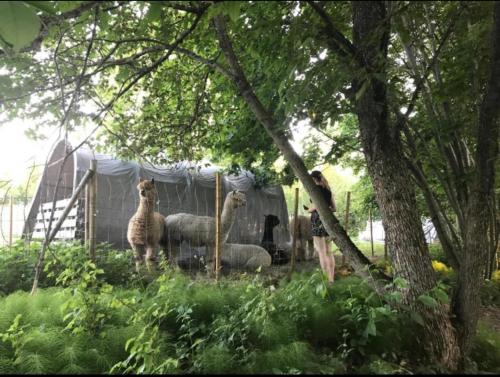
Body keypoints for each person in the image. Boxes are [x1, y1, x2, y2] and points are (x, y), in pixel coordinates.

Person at [306, 170, 336, 284]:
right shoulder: (328, 190)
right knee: (329, 252)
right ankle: (331, 279)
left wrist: (309, 209)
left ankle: (325, 280)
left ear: (313, 179)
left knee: (321, 252)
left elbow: (313, 208)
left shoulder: (315, 190)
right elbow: (334, 208)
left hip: (317, 220)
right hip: (328, 220)